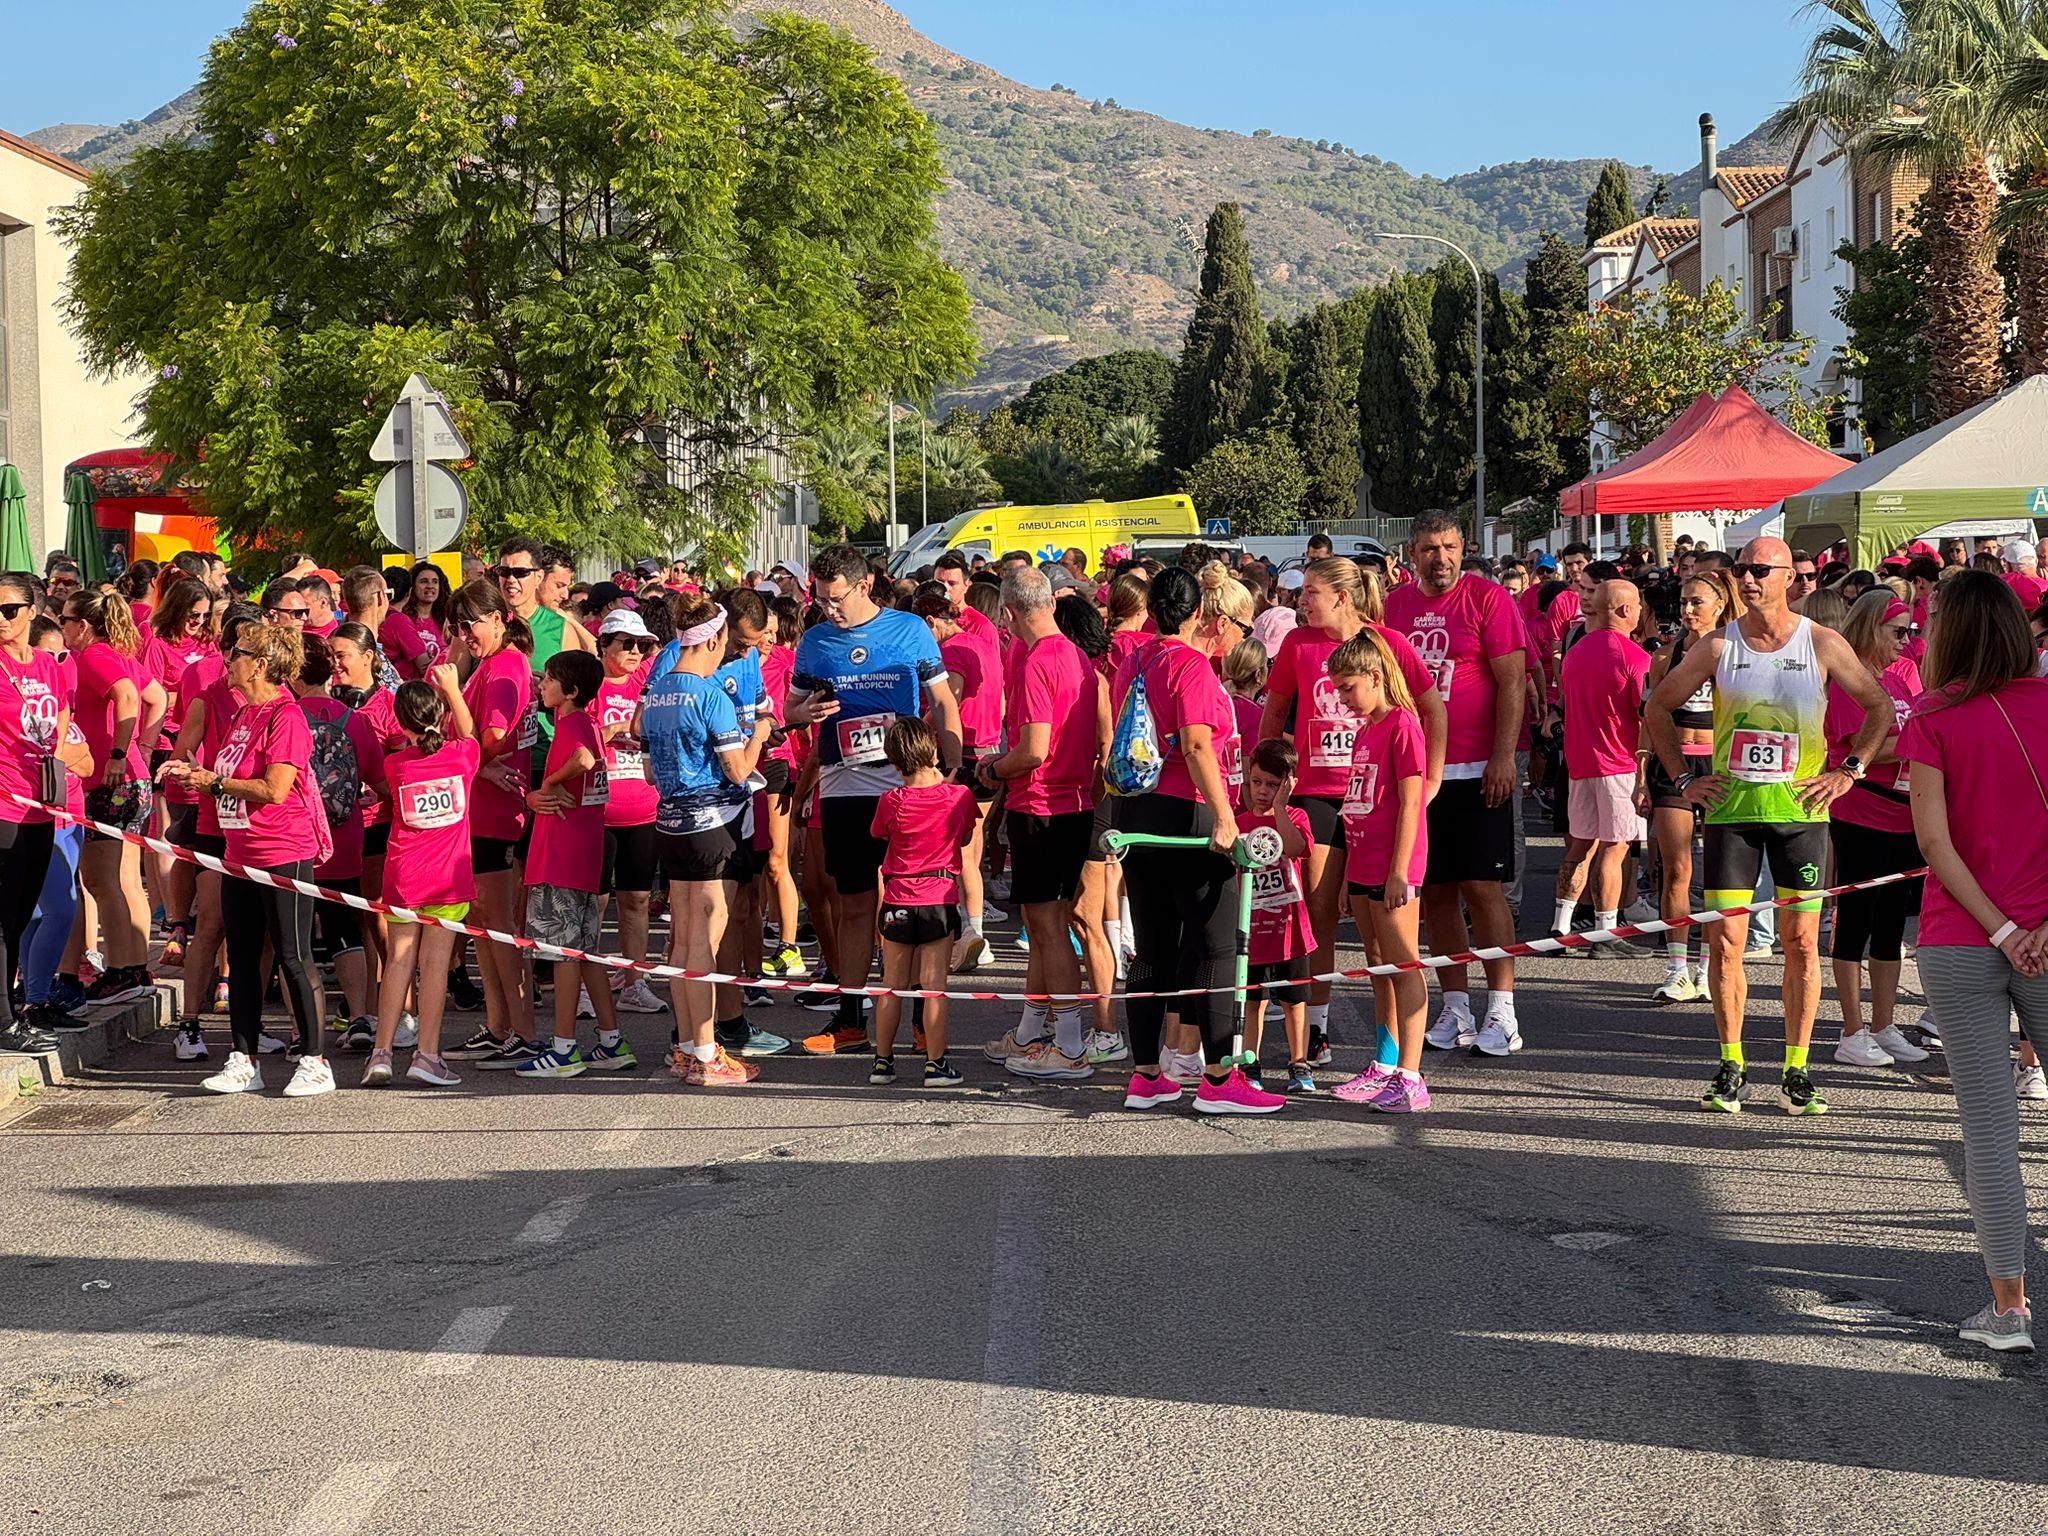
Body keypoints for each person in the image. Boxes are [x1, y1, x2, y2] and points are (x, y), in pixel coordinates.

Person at [1646, 536, 1892, 1116]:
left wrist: (1849, 771)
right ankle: (1731, 1063)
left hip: (1801, 818)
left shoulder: (1822, 643)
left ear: (1788, 577)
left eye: (1760, 569)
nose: (1748, 579)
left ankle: (1796, 1068)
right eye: (1740, 570)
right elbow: (1658, 707)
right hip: (1732, 817)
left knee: (1801, 943)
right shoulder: (1716, 646)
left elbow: (1879, 706)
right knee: (1726, 942)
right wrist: (1684, 780)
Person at [1898, 570, 2048, 1352]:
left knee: (1989, 1130)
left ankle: (2010, 1311)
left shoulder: (1934, 716)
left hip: (1962, 938)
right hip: (2047, 937)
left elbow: (1933, 842)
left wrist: (1999, 929)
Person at [1111, 565, 1283, 1115]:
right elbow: (1196, 744)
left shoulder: (1134, 660)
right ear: (1199, 613)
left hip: (1137, 809)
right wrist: (1223, 816)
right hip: (1187, 812)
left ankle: (1145, 1074)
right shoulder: (1188, 665)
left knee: (1154, 946)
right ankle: (1218, 1079)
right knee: (1217, 945)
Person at [1260, 557, 1444, 1067]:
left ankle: (1389, 1049)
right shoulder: (1297, 644)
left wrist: (1429, 780)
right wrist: (1269, 777)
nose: (1301, 601)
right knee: (1319, 909)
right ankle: (1317, 1032)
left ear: (1342, 596)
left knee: (1379, 937)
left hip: (1375, 799)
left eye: (1310, 592)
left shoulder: (1384, 644)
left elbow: (1432, 707)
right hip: (1317, 792)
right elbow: (1274, 711)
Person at [786, 545, 962, 1057]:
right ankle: (851, 1019)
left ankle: (918, 1019)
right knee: (855, 904)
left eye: (835, 598)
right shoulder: (816, 641)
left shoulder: (908, 630)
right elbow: (792, 706)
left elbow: (942, 698)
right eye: (820, 599)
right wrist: (806, 711)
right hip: (844, 785)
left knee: (912, 902)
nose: (828, 609)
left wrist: (950, 763)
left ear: (864, 586)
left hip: (905, 786)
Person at [161, 623, 333, 1097]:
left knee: (294, 957)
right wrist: (192, 772)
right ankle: (243, 1058)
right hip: (240, 853)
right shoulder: (243, 714)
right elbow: (225, 771)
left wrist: (213, 784)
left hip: (283, 852)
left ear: (260, 663)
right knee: (239, 955)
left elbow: (275, 788)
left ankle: (316, 1061)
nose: (227, 659)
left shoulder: (286, 715)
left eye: (236, 653)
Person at [1384, 513, 1527, 1054]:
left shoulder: (1488, 599)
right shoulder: (1395, 606)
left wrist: (1502, 756)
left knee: (1483, 890)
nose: (1439, 558)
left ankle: (1502, 1012)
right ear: (1412, 554)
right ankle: (1456, 1009)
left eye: (1448, 547)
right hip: (1419, 775)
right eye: (1428, 549)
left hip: (1477, 770)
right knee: (1436, 893)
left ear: (1462, 549)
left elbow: (1511, 682)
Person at [641, 592, 767, 1086]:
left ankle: (689, 1049)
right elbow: (738, 771)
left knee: (682, 940)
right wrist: (760, 731)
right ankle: (708, 1051)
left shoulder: (656, 692)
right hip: (713, 824)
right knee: (704, 944)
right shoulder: (709, 693)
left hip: (670, 824)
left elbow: (651, 771)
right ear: (712, 639)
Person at [979, 566, 1099, 1080]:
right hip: (1071, 804)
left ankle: (1069, 1044)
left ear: (1008, 615)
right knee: (1039, 922)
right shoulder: (1076, 654)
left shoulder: (1036, 662)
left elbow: (1033, 750)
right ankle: (1033, 1029)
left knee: (1049, 928)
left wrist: (991, 768)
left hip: (1044, 806)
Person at [516, 650, 633, 1079]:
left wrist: (547, 782)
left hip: (560, 856)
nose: (541, 685)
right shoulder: (588, 725)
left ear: (570, 691)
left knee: (562, 955)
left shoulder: (571, 726)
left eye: (548, 679)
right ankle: (611, 1040)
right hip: (582, 854)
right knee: (586, 954)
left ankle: (564, 1048)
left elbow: (582, 761)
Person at [1329, 630, 1432, 1112]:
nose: (1343, 699)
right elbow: (1357, 802)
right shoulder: (1367, 728)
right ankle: (1385, 1062)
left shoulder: (1401, 724)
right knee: (1379, 964)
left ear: (1374, 676)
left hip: (1394, 864)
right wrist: (1350, 873)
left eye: (1348, 688)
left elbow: (1412, 800)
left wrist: (1399, 870)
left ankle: (1411, 1076)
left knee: (1404, 964)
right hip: (1364, 861)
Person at [1826, 591, 1930, 1068]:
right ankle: (1852, 1030)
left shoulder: (1897, 680)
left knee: (1892, 927)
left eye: (1909, 632)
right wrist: (1918, 741)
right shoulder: (1848, 683)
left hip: (1905, 813)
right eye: (1897, 632)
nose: (1905, 642)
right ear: (1870, 629)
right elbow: (1865, 747)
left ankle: (1885, 1025)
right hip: (1862, 812)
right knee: (1855, 924)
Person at [440, 581, 538, 1067]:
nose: (465, 633)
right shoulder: (489, 663)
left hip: (494, 812)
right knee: (482, 922)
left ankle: (521, 1029)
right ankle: (501, 1025)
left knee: (497, 923)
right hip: (477, 806)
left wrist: (454, 693)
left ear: (500, 619)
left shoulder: (504, 667)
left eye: (473, 623)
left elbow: (491, 738)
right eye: (457, 625)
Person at [364, 676, 477, 1088]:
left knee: (397, 962)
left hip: (404, 875)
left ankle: (381, 1053)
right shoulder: (463, 757)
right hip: (446, 879)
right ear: (441, 713)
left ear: (400, 723)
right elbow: (470, 732)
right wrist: (453, 689)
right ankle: (427, 1055)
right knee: (434, 968)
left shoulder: (396, 765)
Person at [1639, 569, 1743, 1002]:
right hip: (1674, 765)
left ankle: (1707, 967)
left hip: (1718, 767)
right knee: (1676, 868)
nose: (1687, 610)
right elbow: (1650, 716)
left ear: (1719, 606)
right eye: (1683, 602)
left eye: (1696, 602)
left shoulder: (1734, 651)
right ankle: (1677, 967)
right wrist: (1642, 772)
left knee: (1718, 873)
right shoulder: (1666, 656)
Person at [64, 588, 165, 1004]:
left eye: (66, 619)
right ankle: (135, 967)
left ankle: (123, 971)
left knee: (100, 881)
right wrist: (142, 748)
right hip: (127, 780)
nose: (61, 626)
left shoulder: (95, 656)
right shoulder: (119, 653)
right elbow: (156, 697)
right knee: (123, 880)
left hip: (111, 781)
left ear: (83, 625)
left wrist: (122, 753)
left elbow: (127, 696)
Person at [869, 717, 980, 1088]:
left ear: (895, 763)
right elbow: (965, 837)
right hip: (938, 897)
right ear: (933, 752)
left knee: (891, 985)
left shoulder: (890, 800)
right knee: (933, 986)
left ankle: (882, 1062)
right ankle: (936, 1063)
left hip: (898, 896)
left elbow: (880, 833)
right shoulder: (959, 796)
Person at [1552, 580, 1652, 959]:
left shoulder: (1575, 653)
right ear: (1626, 610)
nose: (1641, 611)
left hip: (1580, 761)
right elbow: (1642, 716)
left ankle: (1560, 925)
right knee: (1614, 849)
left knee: (1580, 845)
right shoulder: (1634, 657)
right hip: (1619, 763)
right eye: (1638, 605)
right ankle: (1605, 931)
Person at [0, 575, 77, 1054]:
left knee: (21, 914)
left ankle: (12, 1011)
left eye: (9, 610)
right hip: (4, 804)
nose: (0, 619)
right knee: (1, 918)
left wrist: (55, 761)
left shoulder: (48, 664)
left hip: (40, 802)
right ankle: (4, 1021)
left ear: (33, 611)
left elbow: (63, 713)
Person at [592, 609, 667, 1015]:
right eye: (627, 643)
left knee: (637, 899)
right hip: (598, 813)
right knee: (595, 902)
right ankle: (586, 983)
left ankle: (635, 983)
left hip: (642, 809)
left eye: (643, 644)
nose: (637, 651)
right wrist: (612, 731)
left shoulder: (646, 686)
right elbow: (575, 740)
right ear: (603, 645)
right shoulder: (588, 685)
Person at [1237, 740, 1316, 1094]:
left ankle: (1299, 1063)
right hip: (1252, 931)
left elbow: (1297, 847)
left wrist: (1281, 809)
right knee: (1253, 1000)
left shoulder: (1296, 817)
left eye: (1272, 784)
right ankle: (1250, 1064)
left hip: (1290, 930)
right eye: (1257, 782)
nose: (1263, 791)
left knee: (1294, 1000)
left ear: (1288, 784)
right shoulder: (1238, 823)